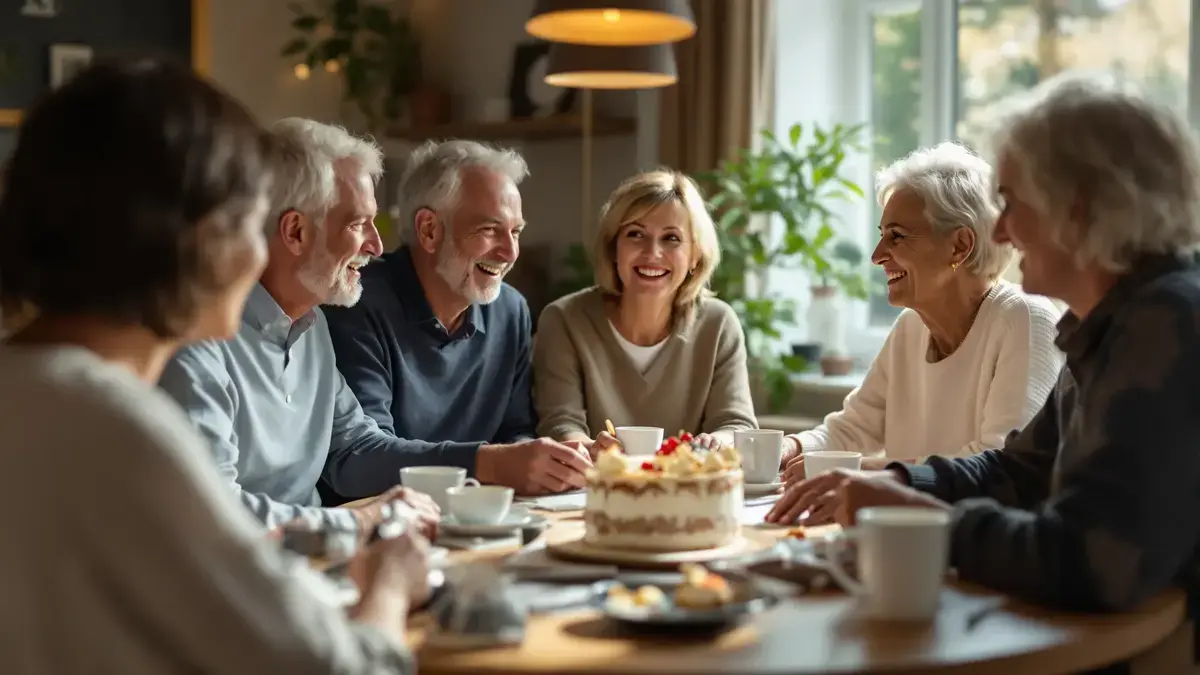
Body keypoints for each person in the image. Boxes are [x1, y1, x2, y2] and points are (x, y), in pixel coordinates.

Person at [0, 59, 425, 673]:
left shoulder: (30, 385)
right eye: (253, 223)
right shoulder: (119, 427)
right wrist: (390, 584)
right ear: (198, 240)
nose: (260, 255)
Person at [766, 73, 1200, 619]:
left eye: (1012, 204)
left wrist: (923, 520)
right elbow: (1017, 471)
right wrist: (901, 482)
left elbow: (1091, 560)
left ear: (1080, 210)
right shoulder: (1115, 322)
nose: (1001, 234)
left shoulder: (1165, 323)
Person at [158, 118, 442, 534]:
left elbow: (356, 447)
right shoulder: (199, 339)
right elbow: (212, 511)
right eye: (357, 224)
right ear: (295, 231)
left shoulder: (313, 325)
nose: (376, 246)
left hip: (314, 561)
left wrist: (489, 462)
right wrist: (358, 521)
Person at [779, 142, 1064, 483]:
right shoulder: (911, 327)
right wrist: (793, 447)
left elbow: (1002, 465)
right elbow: (851, 429)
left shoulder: (1024, 318)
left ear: (959, 245)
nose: (877, 255)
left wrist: (876, 470)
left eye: (896, 237)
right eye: (882, 235)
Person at [324, 139, 592, 496]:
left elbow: (515, 433)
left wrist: (553, 462)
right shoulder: (356, 304)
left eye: (515, 232)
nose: (510, 252)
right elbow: (365, 461)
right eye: (489, 230)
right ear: (429, 230)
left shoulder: (510, 311)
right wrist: (492, 463)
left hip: (475, 518)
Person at [533, 170, 757, 452]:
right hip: (594, 486)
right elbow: (560, 425)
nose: (652, 253)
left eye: (671, 238)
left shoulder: (719, 324)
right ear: (614, 248)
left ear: (695, 256)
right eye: (635, 234)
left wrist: (715, 442)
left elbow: (736, 425)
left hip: (691, 488)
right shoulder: (564, 320)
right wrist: (588, 448)